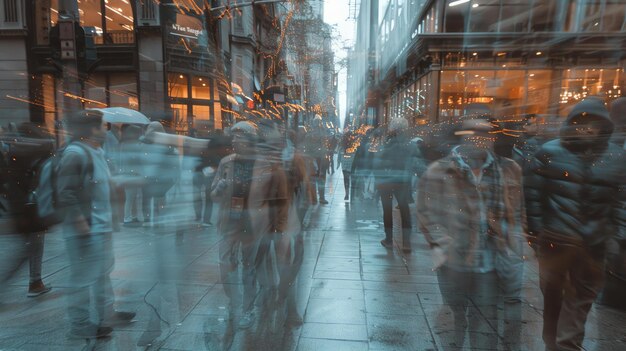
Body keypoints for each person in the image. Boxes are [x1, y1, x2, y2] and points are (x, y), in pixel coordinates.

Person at [524, 99, 626, 351]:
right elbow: (534, 195)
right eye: (582, 124)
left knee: (580, 299)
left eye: (594, 125)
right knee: (552, 297)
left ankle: (566, 344)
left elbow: (621, 198)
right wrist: (537, 231)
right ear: (572, 124)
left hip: (594, 243)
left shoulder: (616, 156)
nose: (588, 130)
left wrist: (618, 234)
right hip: (556, 241)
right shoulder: (549, 151)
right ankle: (553, 342)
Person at [417, 118, 525, 350]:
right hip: (453, 261)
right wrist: (443, 243)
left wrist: (511, 244)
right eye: (474, 133)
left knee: (485, 323)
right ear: (463, 137)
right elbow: (426, 213)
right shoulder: (440, 170)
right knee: (454, 314)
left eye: (486, 134)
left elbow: (516, 211)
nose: (480, 139)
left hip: (489, 262)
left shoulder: (508, 169)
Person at [57, 110, 135, 339]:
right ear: (92, 129)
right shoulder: (75, 153)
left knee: (102, 273)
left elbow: (103, 183)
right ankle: (80, 325)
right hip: (85, 229)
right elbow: (65, 192)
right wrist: (81, 224)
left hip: (101, 226)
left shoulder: (97, 151)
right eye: (103, 125)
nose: (107, 129)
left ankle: (105, 316)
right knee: (81, 278)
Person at [211, 121, 289, 329]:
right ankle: (232, 301)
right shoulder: (226, 162)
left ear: (250, 140)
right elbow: (213, 196)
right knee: (225, 264)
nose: (235, 140)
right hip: (229, 222)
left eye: (240, 137)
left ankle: (247, 308)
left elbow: (277, 198)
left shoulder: (265, 165)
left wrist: (276, 225)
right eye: (234, 137)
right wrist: (218, 188)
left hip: (253, 224)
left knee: (249, 268)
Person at [0, 123, 54, 297]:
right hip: (29, 209)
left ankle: (36, 281)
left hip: (23, 208)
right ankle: (34, 282)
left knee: (30, 248)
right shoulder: (33, 154)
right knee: (29, 249)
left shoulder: (17, 154)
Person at [375, 118, 413, 253]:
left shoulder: (389, 140)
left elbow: (381, 158)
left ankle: (389, 239)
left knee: (387, 210)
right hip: (402, 180)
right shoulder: (408, 142)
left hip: (387, 179)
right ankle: (407, 243)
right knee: (404, 210)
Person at [139, 122, 180, 227]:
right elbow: (173, 159)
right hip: (161, 176)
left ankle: (147, 218)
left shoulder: (143, 142)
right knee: (160, 197)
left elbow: (139, 159)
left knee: (147, 197)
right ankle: (158, 217)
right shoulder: (166, 142)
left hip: (147, 175)